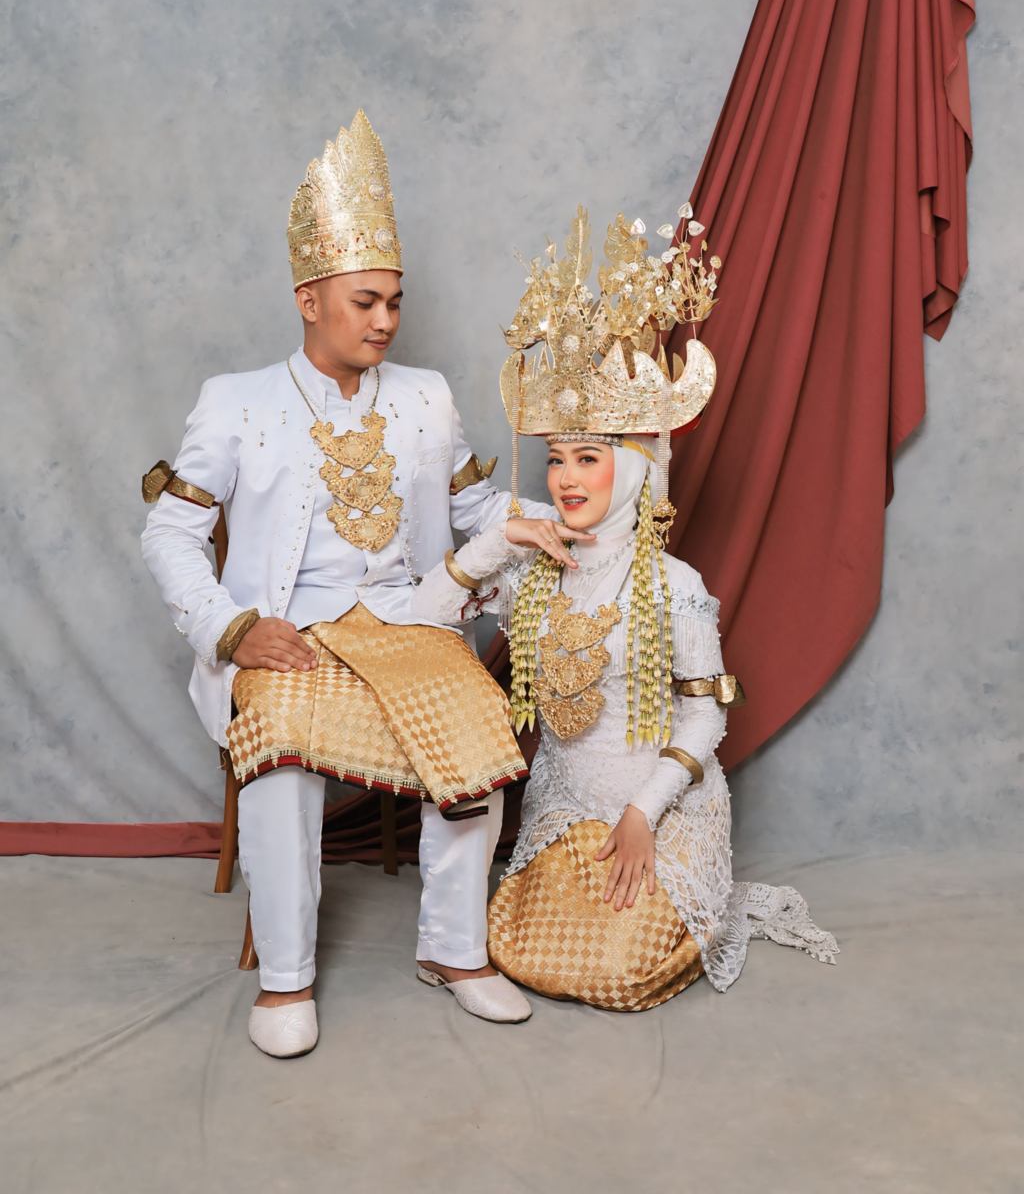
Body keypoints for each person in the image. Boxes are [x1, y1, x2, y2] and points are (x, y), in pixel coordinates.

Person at [141, 111, 580, 1056]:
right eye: (365, 301)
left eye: (395, 303)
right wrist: (230, 629)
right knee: (280, 744)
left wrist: (553, 518)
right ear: (310, 299)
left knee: (479, 724)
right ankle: (287, 977)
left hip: (410, 624)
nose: (385, 320)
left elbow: (474, 511)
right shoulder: (236, 401)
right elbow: (171, 531)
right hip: (286, 632)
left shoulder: (427, 396)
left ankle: (455, 952)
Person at [410, 206, 838, 1009]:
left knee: (619, 972)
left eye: (589, 459)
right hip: (565, 806)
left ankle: (690, 895)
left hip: (662, 807)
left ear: (635, 469)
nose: (567, 480)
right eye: (557, 459)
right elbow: (424, 618)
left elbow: (706, 719)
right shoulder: (532, 574)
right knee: (512, 946)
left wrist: (643, 815)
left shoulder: (674, 585)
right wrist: (500, 539)